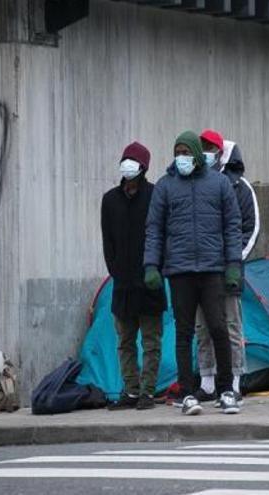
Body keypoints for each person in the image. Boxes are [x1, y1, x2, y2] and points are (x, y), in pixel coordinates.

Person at [144, 130, 243, 415]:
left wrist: (233, 265)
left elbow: (232, 225)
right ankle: (187, 394)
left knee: (218, 328)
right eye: (178, 152)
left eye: (187, 152)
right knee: (184, 333)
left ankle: (226, 391)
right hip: (179, 271)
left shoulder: (220, 183)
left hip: (213, 269)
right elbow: (154, 230)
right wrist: (151, 265)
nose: (182, 158)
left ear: (198, 155)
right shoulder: (165, 186)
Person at [192, 130, 260, 406]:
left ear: (221, 152)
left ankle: (233, 382)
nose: (206, 152)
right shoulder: (194, 184)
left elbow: (250, 229)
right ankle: (207, 382)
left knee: (231, 325)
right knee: (202, 327)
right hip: (200, 270)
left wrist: (233, 261)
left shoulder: (241, 188)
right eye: (202, 147)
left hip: (228, 271)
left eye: (211, 148)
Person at [100, 141, 167, 411]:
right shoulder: (110, 200)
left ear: (144, 168)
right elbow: (108, 242)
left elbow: (162, 236)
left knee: (151, 341)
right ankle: (130, 390)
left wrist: (157, 270)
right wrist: (115, 271)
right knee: (125, 342)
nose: (128, 165)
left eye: (134, 161)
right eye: (125, 159)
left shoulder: (155, 196)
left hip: (150, 283)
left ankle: (147, 391)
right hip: (122, 286)